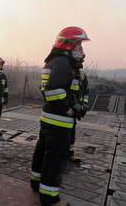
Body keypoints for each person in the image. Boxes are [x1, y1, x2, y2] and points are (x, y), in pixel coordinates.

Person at [30, 26, 90, 206]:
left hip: (49, 117)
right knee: (55, 159)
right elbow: (53, 90)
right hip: (59, 120)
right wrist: (68, 109)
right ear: (69, 44)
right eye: (79, 44)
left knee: (42, 151)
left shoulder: (53, 60)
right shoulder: (63, 63)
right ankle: (49, 198)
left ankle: (36, 182)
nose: (81, 49)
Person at [69, 50, 90, 164]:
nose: (80, 61)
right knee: (65, 132)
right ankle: (62, 154)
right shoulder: (67, 70)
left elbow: (85, 90)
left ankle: (70, 154)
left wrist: (84, 104)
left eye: (81, 59)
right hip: (68, 108)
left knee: (72, 131)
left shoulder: (82, 74)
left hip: (77, 108)